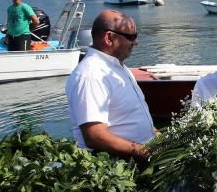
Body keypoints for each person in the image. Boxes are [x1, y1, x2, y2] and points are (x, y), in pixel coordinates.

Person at [66, 11, 155, 161]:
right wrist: (139, 150)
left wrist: (158, 137)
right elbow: (95, 135)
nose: (136, 42)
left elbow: (130, 116)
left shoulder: (118, 67)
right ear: (109, 38)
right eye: (131, 37)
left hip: (143, 156)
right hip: (120, 165)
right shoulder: (91, 75)